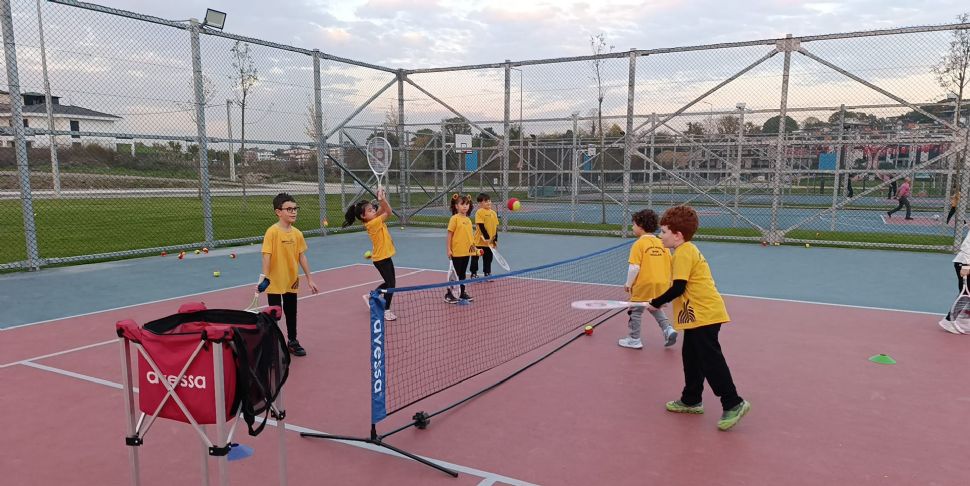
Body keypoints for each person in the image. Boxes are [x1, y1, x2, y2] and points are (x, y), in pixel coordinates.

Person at [645, 205, 751, 431]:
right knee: (691, 357)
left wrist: (655, 302)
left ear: (677, 235)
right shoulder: (684, 251)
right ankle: (691, 399)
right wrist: (660, 300)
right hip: (696, 316)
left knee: (709, 359)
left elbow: (679, 287)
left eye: (664, 231)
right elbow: (681, 288)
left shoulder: (684, 252)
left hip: (705, 314)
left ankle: (733, 402)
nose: (660, 235)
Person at [261, 193, 319, 357]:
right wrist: (265, 278)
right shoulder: (272, 232)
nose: (293, 212)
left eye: (295, 208)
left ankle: (292, 341)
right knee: (274, 314)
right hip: (274, 281)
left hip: (291, 280)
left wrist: (310, 279)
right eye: (289, 209)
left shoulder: (297, 233)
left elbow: (302, 256)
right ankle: (273, 343)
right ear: (278, 212)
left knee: (291, 312)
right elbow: (266, 255)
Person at [618, 209, 677, 349]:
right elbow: (671, 264)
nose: (632, 227)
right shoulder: (662, 243)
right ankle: (668, 329)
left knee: (635, 310)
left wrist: (628, 283)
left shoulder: (638, 244)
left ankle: (634, 339)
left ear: (640, 225)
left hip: (644, 284)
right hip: (662, 284)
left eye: (633, 224)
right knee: (654, 306)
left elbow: (634, 267)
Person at [344, 188, 398, 321]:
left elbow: (382, 209)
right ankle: (386, 310)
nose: (373, 210)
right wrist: (382, 200)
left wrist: (382, 198)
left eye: (372, 209)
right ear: (363, 216)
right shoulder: (373, 223)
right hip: (381, 259)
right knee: (391, 284)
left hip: (384, 257)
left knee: (390, 283)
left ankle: (372, 296)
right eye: (369, 210)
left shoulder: (373, 219)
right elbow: (388, 211)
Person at [445, 193, 476, 304]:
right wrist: (449, 249)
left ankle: (462, 292)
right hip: (456, 252)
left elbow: (469, 236)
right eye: (462, 204)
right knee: (455, 275)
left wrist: (474, 248)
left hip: (466, 252)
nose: (465, 206)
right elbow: (449, 235)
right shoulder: (454, 219)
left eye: (467, 204)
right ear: (456, 206)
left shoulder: (468, 220)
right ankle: (449, 294)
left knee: (462, 274)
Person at [469, 193, 499, 279]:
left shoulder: (493, 213)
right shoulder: (479, 212)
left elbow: (495, 227)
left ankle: (487, 273)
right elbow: (481, 226)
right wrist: (487, 238)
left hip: (489, 242)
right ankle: (473, 273)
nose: (488, 202)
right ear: (480, 203)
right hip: (478, 241)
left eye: (489, 200)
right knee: (475, 258)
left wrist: (495, 239)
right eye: (486, 201)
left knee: (488, 258)